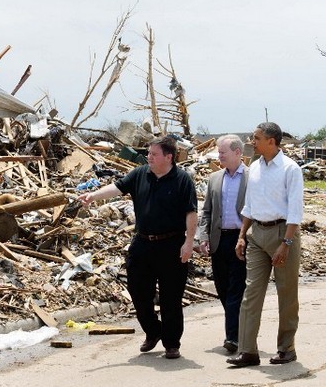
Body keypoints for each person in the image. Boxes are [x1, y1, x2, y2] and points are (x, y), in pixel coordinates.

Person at [79, 136, 197, 359]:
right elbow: (117, 188)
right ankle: (153, 331)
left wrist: (189, 242)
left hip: (172, 243)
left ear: (168, 157)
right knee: (138, 290)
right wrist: (93, 195)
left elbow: (191, 213)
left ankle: (172, 343)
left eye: (154, 154)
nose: (149, 157)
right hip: (143, 242)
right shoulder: (140, 174)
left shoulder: (182, 180)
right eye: (149, 153)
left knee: (171, 297)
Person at [227, 122, 303, 367]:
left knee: (286, 294)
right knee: (251, 294)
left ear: (272, 141)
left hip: (283, 233)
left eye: (256, 137)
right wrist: (242, 235)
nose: (251, 141)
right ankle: (248, 350)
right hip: (257, 234)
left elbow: (295, 210)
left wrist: (287, 242)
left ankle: (286, 348)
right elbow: (249, 205)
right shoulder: (255, 167)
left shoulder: (290, 169)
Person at [198, 135, 248, 354]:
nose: (219, 157)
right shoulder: (215, 178)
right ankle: (237, 329)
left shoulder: (251, 177)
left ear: (237, 153)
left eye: (223, 153)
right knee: (222, 289)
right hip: (219, 241)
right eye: (218, 153)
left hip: (242, 239)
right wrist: (203, 237)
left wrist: (247, 237)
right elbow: (207, 211)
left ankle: (233, 338)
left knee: (236, 289)